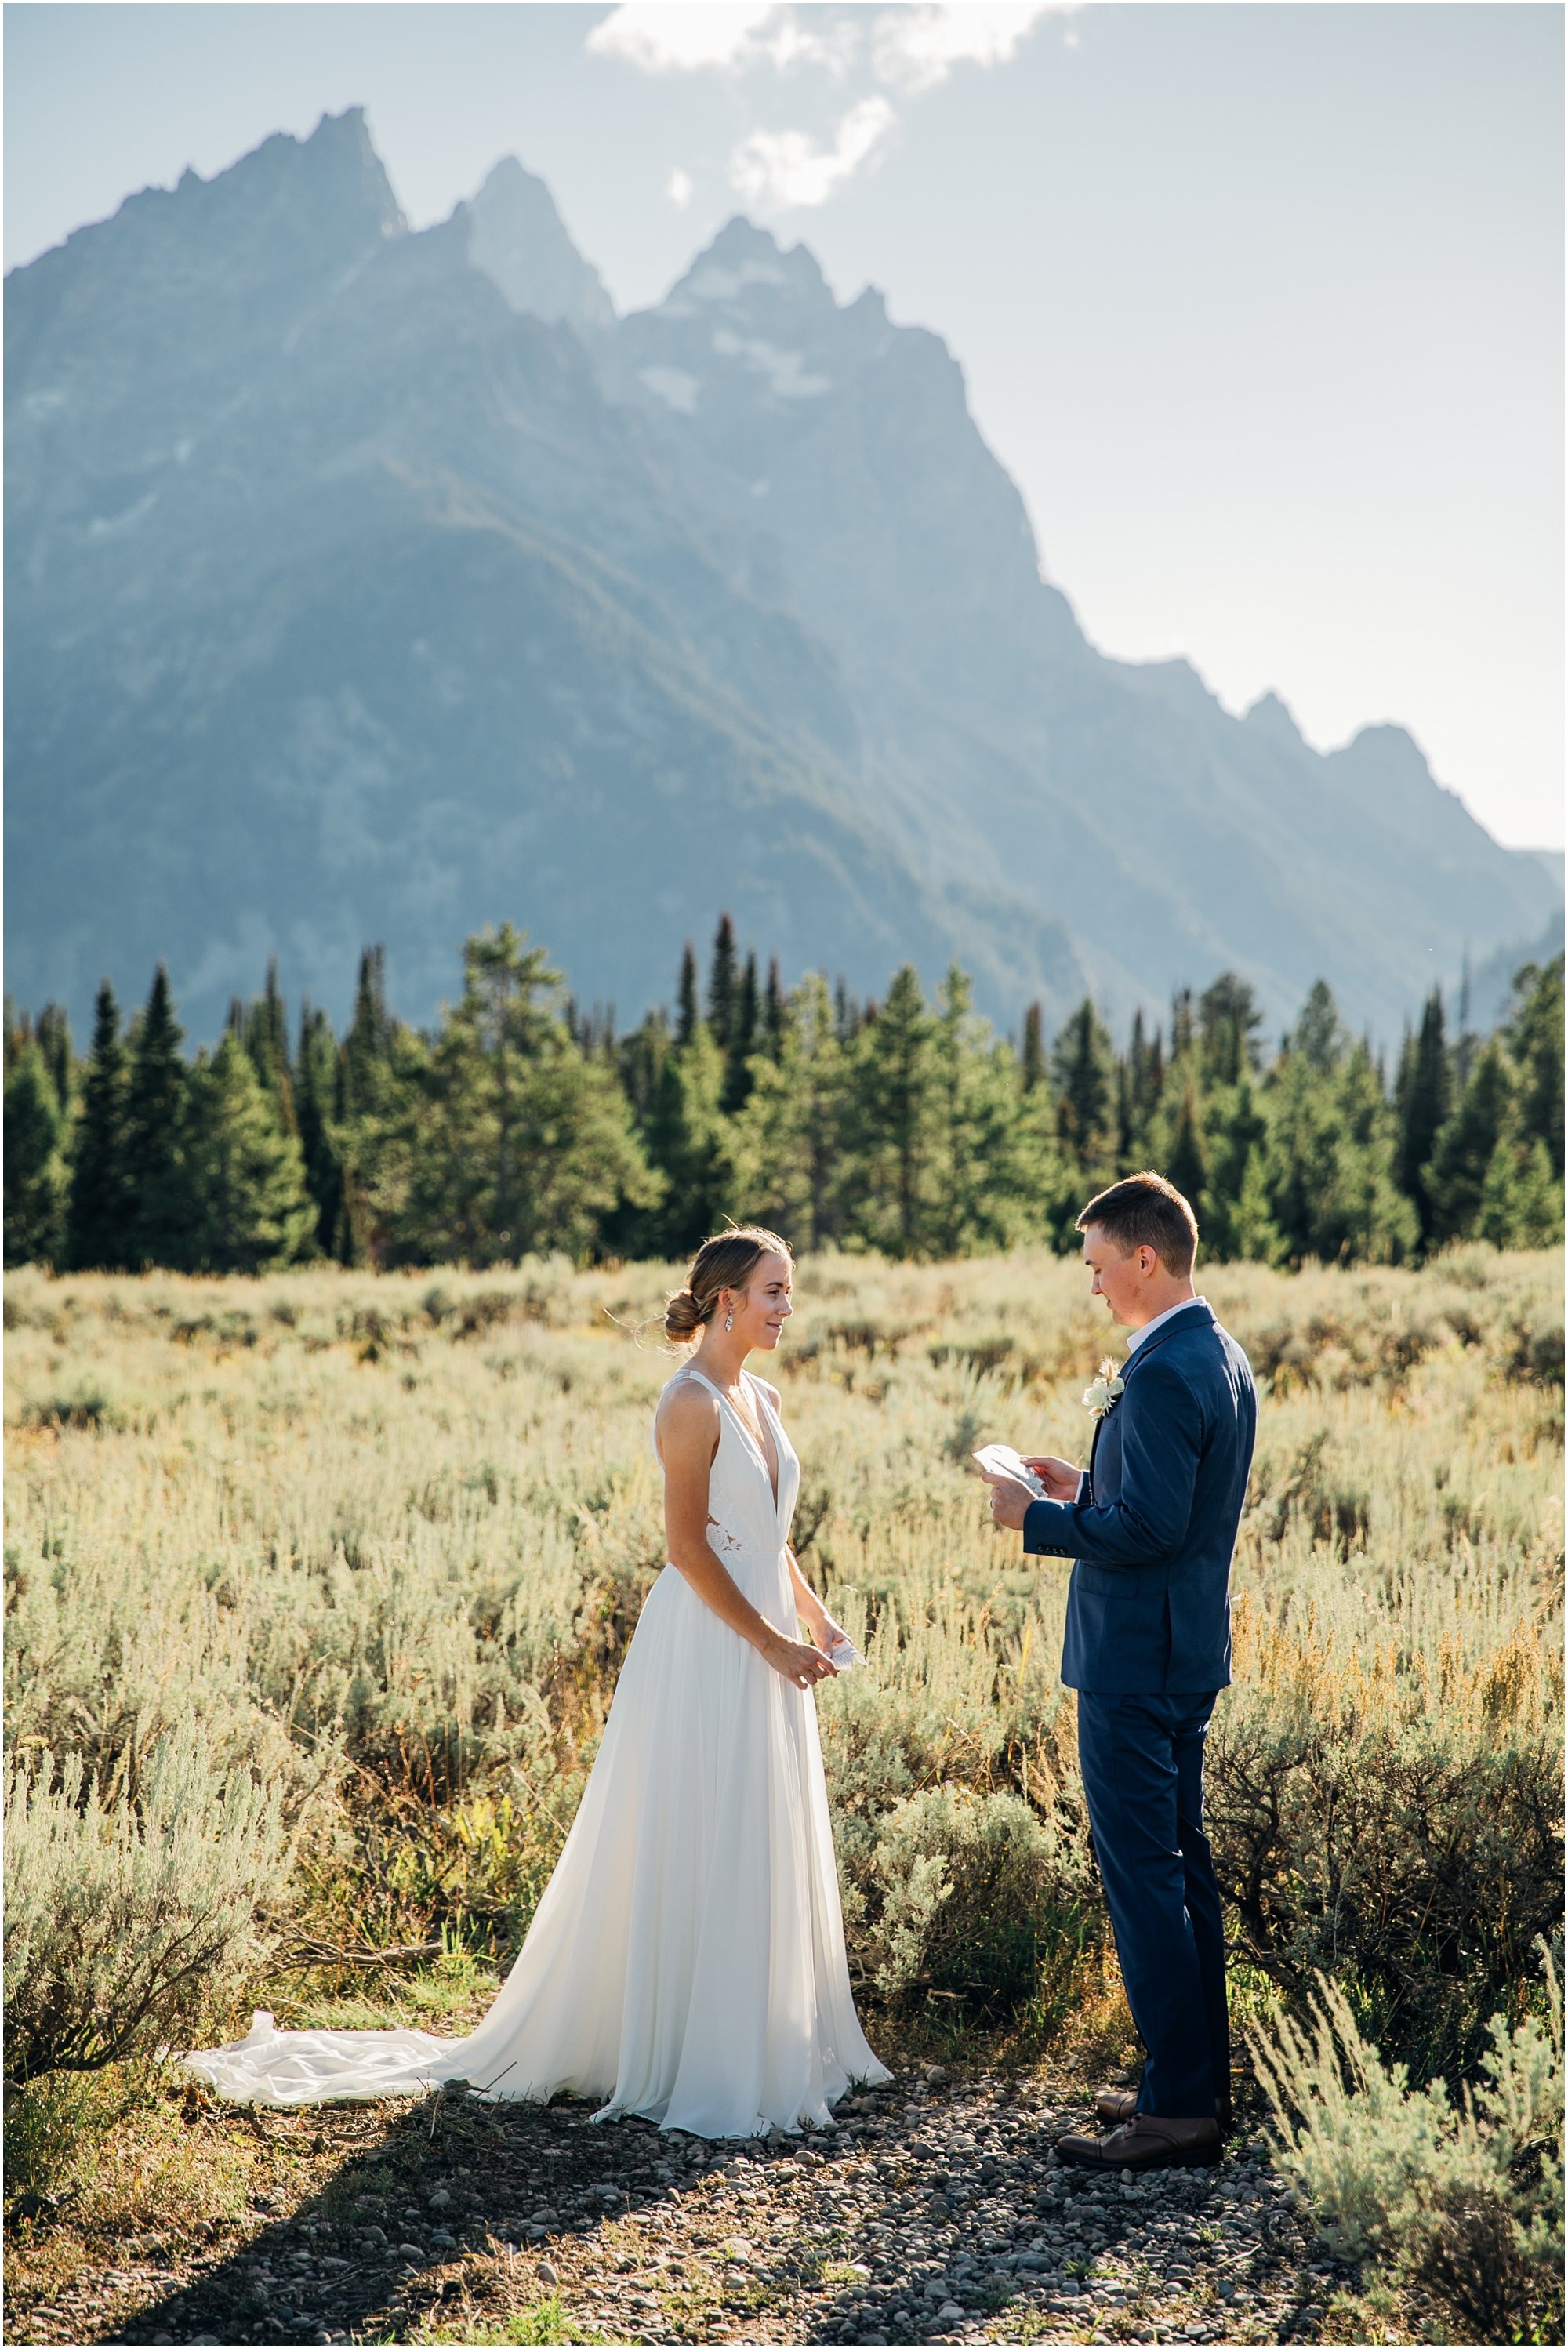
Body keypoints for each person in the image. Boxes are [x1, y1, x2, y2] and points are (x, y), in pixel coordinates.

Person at [183, 1226, 889, 2135]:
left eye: (788, 1291)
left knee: (756, 1817)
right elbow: (686, 1550)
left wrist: (814, 1615)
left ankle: (763, 2033)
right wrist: (768, 1642)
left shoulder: (766, 1394)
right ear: (725, 1301)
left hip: (768, 1633)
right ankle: (694, 2050)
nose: (788, 1309)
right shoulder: (690, 1402)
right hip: (711, 1642)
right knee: (703, 1817)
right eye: (775, 1292)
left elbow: (767, 1531)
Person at [982, 1171, 1256, 2171]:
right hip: (1182, 1652)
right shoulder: (1214, 1353)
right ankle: (1185, 2077)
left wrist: (1036, 1517)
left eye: (1099, 1264)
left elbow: (1146, 1530)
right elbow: (1163, 1503)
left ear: (1145, 1258)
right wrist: (1082, 1480)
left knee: (1145, 1879)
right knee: (1180, 1872)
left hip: (1136, 1662)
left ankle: (1178, 2106)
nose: (1091, 1284)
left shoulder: (1165, 1370)